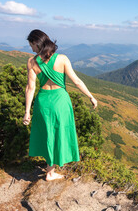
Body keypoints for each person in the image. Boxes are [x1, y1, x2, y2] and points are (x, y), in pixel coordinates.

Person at [23, 29, 98, 181]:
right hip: (60, 101)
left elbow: (30, 88)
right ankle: (51, 171)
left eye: (31, 45)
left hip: (43, 101)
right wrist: (90, 96)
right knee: (59, 133)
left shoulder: (32, 62)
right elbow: (77, 81)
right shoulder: (62, 59)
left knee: (48, 135)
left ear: (36, 43)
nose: (31, 48)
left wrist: (27, 112)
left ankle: (50, 170)